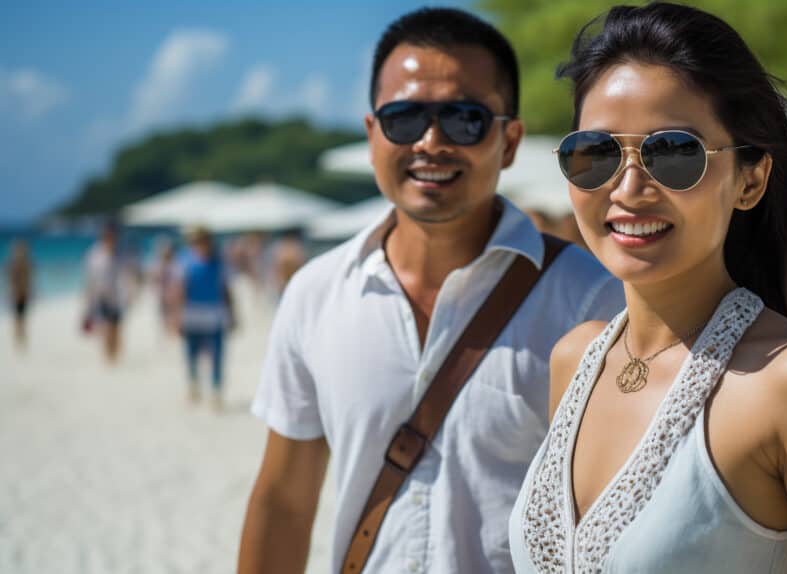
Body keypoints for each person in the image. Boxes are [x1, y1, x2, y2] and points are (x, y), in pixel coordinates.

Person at [237, 8, 624, 574]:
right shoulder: (315, 294)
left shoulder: (592, 302)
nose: (431, 141)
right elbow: (284, 501)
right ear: (373, 136)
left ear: (509, 141)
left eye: (465, 119)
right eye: (404, 118)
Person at [508, 4, 787, 573]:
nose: (629, 187)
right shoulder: (575, 358)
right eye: (595, 154)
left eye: (674, 153)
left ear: (751, 180)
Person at [171, 226, 235, 410]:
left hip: (214, 314)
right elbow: (179, 290)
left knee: (217, 355)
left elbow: (225, 289)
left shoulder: (219, 261)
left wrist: (232, 314)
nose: (202, 244)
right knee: (191, 354)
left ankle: (216, 391)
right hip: (192, 315)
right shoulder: (185, 261)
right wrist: (177, 316)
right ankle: (194, 385)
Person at [82, 221, 130, 363]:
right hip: (101, 297)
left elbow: (129, 275)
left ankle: (114, 356)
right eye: (107, 235)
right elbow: (89, 280)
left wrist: (131, 294)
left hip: (119, 298)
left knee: (117, 330)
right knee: (106, 329)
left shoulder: (122, 252)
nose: (110, 238)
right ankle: (108, 359)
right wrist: (87, 304)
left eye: (112, 235)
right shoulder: (93, 254)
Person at [6, 239, 33, 349]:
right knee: (19, 318)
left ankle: (21, 338)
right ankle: (19, 338)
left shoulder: (25, 263)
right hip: (18, 294)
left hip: (22, 293)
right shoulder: (15, 264)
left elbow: (28, 280)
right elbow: (11, 280)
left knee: (21, 317)